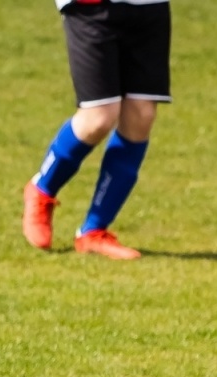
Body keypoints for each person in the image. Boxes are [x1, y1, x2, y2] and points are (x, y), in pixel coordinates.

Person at [21, 0, 171, 260]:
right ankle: (42, 189)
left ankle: (93, 231)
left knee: (141, 116)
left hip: (149, 6)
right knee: (98, 117)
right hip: (91, 7)